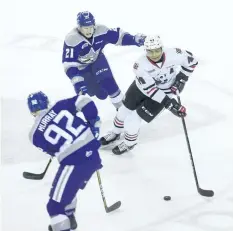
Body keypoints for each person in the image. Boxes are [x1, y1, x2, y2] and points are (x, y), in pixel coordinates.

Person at [100, 35, 198, 155]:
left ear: (162, 48)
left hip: (165, 91)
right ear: (145, 51)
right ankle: (115, 132)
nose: (155, 54)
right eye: (150, 52)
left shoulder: (174, 54)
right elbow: (151, 90)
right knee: (122, 111)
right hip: (141, 88)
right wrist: (170, 104)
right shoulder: (140, 65)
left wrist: (182, 79)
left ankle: (130, 143)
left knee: (133, 119)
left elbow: (192, 61)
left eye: (157, 50)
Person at [27, 91, 102, 231]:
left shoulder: (33, 135)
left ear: (31, 112)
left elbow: (52, 150)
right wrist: (93, 121)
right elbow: (84, 100)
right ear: (47, 102)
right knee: (67, 190)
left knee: (54, 207)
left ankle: (64, 221)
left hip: (74, 162)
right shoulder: (59, 105)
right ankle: (69, 216)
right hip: (93, 156)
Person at [62, 11, 145, 109]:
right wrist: (77, 83)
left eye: (90, 27)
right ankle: (99, 88)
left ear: (94, 25)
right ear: (79, 27)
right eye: (85, 28)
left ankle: (123, 109)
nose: (89, 30)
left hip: (98, 60)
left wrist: (134, 39)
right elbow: (69, 64)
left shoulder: (101, 30)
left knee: (109, 83)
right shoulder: (71, 39)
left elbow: (118, 37)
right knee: (100, 94)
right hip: (82, 69)